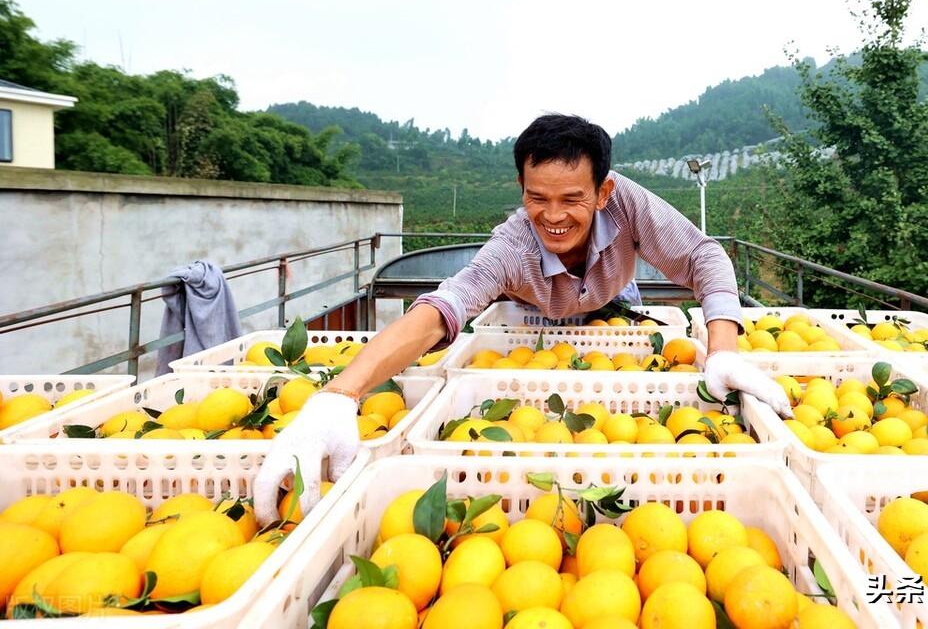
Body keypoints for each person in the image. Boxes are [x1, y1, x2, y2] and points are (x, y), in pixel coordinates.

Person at [253, 114, 791, 524]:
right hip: (528, 323)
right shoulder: (511, 246)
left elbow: (703, 256)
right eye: (538, 198)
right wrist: (337, 396)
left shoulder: (628, 204)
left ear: (603, 192)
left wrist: (722, 350)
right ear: (521, 188)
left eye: (572, 199)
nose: (553, 217)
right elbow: (444, 307)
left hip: (615, 311)